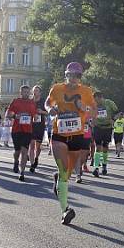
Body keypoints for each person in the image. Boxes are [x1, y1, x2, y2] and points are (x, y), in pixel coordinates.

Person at [46, 62, 96, 225]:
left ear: (80, 77)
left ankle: (59, 181)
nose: (73, 78)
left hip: (77, 135)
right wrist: (50, 110)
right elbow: (48, 103)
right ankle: (65, 209)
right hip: (59, 134)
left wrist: (85, 108)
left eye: (77, 75)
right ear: (65, 75)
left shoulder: (86, 91)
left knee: (67, 174)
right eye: (70, 75)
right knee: (63, 171)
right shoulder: (57, 89)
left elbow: (95, 112)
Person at [6, 85, 38, 182]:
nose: (26, 94)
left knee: (24, 151)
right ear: (20, 92)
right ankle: (16, 161)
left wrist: (36, 117)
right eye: (24, 92)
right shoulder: (16, 101)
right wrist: (15, 116)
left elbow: (35, 116)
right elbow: (8, 114)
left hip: (27, 131)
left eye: (28, 92)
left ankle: (22, 172)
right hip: (16, 130)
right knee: (17, 151)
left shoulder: (32, 103)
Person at [92, 91, 118, 177]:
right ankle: (96, 167)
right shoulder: (93, 104)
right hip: (97, 127)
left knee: (105, 147)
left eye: (96, 100)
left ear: (100, 98)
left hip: (107, 127)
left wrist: (113, 119)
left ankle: (104, 165)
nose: (95, 102)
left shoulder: (109, 103)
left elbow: (117, 112)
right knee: (98, 146)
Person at [29, 85, 48, 173]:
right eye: (34, 90)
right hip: (31, 125)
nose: (35, 92)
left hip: (40, 125)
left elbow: (48, 112)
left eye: (37, 90)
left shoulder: (43, 101)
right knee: (31, 144)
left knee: (38, 146)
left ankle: (36, 158)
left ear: (40, 92)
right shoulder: (30, 101)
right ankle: (32, 164)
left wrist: (42, 112)